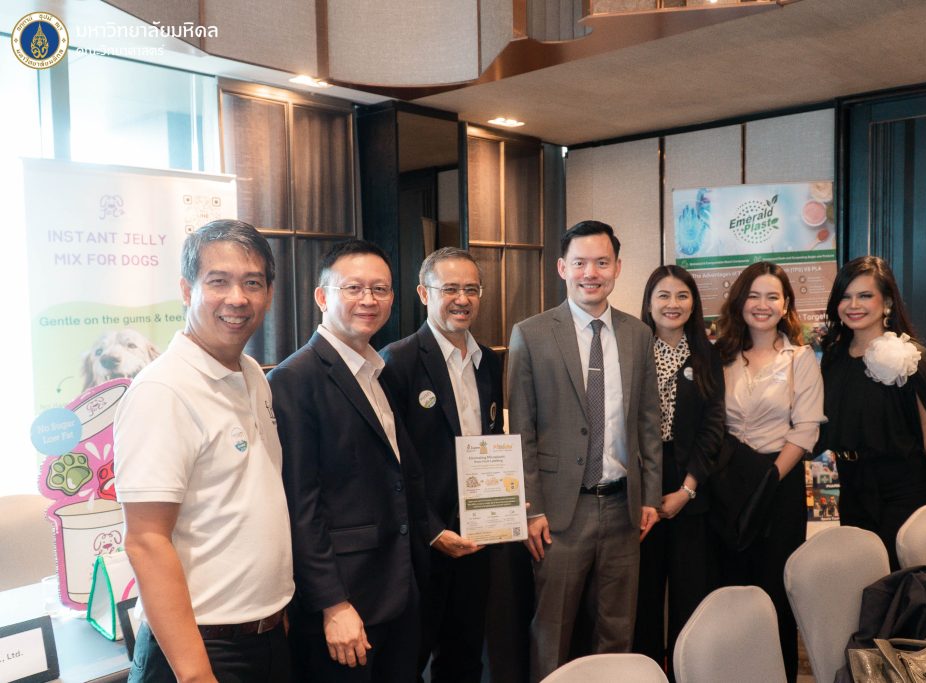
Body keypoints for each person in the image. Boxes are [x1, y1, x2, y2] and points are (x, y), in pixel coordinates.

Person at [114, 219, 293, 683]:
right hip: (200, 654)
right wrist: (196, 674)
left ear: (269, 294)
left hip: (264, 638)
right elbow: (146, 541)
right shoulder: (162, 390)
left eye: (252, 283)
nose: (237, 298)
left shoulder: (252, 374)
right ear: (186, 289)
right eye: (218, 281)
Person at [268, 239, 430, 682]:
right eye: (353, 288)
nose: (369, 300)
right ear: (322, 296)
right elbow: (300, 504)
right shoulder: (294, 379)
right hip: (345, 604)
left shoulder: (377, 370)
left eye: (380, 289)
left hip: (397, 587)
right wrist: (332, 604)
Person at [508, 220, 662, 682]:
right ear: (562, 268)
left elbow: (648, 422)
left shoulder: (638, 334)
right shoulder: (531, 334)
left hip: (623, 508)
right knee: (552, 630)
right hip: (559, 513)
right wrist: (531, 508)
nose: (590, 273)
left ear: (617, 267)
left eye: (601, 262)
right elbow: (521, 431)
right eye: (579, 263)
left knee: (616, 629)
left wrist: (651, 496)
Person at [380, 247, 504, 683]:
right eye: (450, 289)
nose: (462, 299)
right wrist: (432, 530)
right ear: (424, 293)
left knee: (466, 656)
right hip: (423, 541)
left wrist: (501, 507)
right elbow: (391, 463)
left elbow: (491, 444)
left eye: (471, 289)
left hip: (478, 537)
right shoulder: (397, 361)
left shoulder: (489, 361)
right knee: (410, 659)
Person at [818, 255, 926, 567]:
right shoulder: (832, 359)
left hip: (900, 490)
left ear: (887, 302)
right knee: (858, 576)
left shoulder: (911, 357)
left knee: (896, 580)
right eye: (845, 297)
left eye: (865, 295)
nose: (853, 305)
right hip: (848, 486)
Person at [715, 260, 825, 683]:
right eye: (754, 295)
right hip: (727, 481)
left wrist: (768, 479)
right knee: (730, 587)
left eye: (772, 297)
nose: (762, 305)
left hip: (779, 481)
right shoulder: (722, 355)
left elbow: (807, 429)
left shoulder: (800, 359)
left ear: (786, 305)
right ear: (740, 301)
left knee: (774, 589)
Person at [632, 265, 724, 676]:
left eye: (682, 295)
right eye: (663, 295)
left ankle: (685, 673)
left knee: (690, 593)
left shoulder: (707, 355)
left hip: (691, 481)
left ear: (694, 303)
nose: (673, 304)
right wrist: (644, 492)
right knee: (643, 595)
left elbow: (713, 428)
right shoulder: (631, 349)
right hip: (640, 483)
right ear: (649, 302)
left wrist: (687, 490)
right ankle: (646, 673)